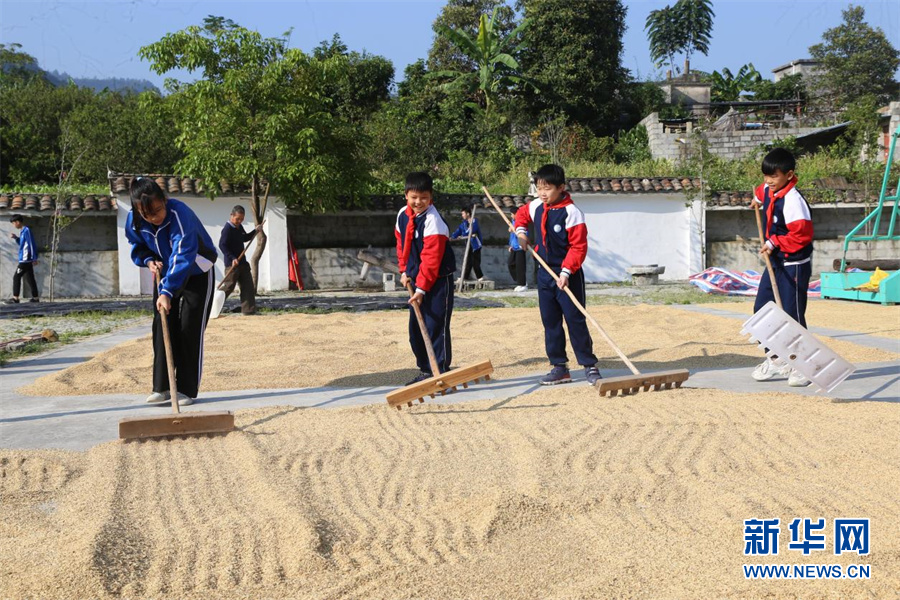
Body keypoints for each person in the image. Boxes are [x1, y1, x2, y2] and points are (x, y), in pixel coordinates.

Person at [124, 177, 218, 406]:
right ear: (138, 212)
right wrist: (148, 261)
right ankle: (163, 387)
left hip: (197, 270)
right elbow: (137, 245)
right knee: (162, 324)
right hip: (165, 272)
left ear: (164, 200)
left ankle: (185, 389)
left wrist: (166, 291)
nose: (154, 218)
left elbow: (182, 254)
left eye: (157, 210)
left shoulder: (179, 213)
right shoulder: (134, 220)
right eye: (147, 215)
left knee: (189, 327)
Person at [514, 164, 601, 386]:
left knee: (575, 319)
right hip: (544, 274)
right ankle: (559, 367)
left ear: (561, 187)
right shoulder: (536, 206)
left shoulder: (572, 212)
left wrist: (565, 271)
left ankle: (589, 365)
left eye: (548, 188)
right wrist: (522, 233)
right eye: (539, 188)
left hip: (568, 275)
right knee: (550, 321)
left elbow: (578, 247)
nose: (542, 193)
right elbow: (521, 215)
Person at [750, 148, 814, 387]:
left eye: (773, 176)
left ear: (789, 175)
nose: (768, 181)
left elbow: (802, 236)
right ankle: (777, 360)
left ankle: (804, 365)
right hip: (775, 262)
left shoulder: (794, 201)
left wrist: (774, 242)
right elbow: (760, 193)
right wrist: (756, 200)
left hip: (794, 264)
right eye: (766, 176)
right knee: (762, 310)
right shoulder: (769, 188)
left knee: (792, 315)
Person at [395, 172, 456, 385]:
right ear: (406, 196)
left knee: (435, 325)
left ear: (431, 198)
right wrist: (405, 271)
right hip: (415, 280)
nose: (418, 202)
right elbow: (402, 245)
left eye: (423, 197)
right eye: (414, 197)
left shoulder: (433, 221)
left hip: (438, 281)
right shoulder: (403, 215)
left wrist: (422, 289)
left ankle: (439, 370)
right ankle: (425, 369)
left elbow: (431, 259)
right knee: (416, 329)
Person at [218, 205, 262, 315]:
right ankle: (213, 307)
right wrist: (232, 258)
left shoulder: (239, 227)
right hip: (232, 265)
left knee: (248, 286)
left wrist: (255, 231)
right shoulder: (227, 229)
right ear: (231, 215)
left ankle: (249, 311)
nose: (239, 221)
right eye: (237, 219)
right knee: (228, 287)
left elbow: (245, 238)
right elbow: (222, 245)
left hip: (242, 263)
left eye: (241, 219)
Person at [6, 214, 39, 304]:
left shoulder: (26, 230)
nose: (13, 225)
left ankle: (15, 298)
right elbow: (23, 243)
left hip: (25, 260)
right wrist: (16, 238)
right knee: (30, 278)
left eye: (13, 223)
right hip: (26, 259)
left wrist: (34, 258)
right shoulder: (22, 231)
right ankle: (35, 298)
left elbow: (31, 244)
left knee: (16, 277)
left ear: (18, 222)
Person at [450, 208, 484, 281]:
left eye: (463, 213)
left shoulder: (474, 221)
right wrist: (452, 237)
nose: (462, 215)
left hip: (476, 245)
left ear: (468, 214)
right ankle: (465, 277)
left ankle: (480, 277)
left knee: (475, 262)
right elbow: (458, 231)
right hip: (468, 245)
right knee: (468, 261)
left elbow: (471, 231)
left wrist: (462, 235)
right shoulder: (464, 223)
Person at [507, 213, 527, 292]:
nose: (511, 216)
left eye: (512, 214)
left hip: (520, 247)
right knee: (510, 263)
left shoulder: (520, 221)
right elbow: (512, 236)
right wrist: (511, 245)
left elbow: (524, 232)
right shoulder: (512, 221)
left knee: (520, 267)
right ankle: (520, 280)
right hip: (514, 247)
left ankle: (523, 284)